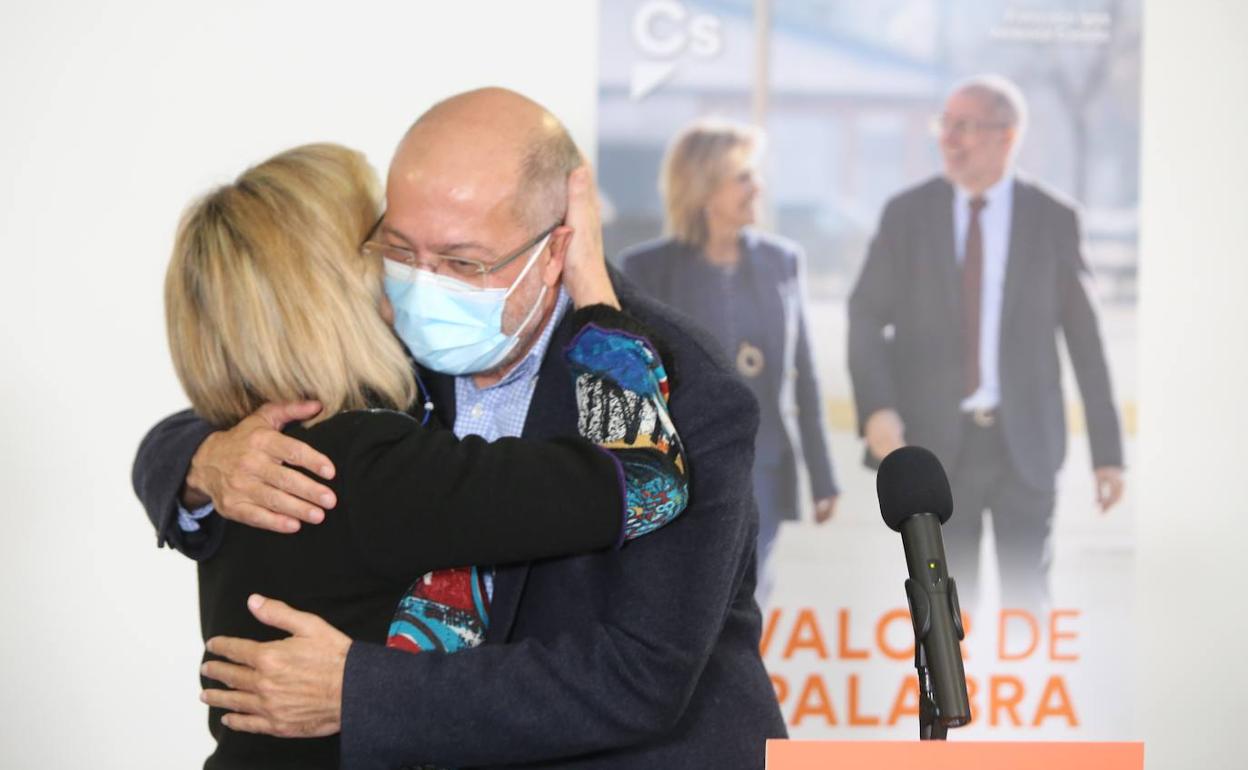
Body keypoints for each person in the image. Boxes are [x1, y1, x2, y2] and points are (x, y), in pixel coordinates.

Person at [133, 88, 784, 769]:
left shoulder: (681, 389)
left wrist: (360, 690)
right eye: (400, 250)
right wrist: (198, 460)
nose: (424, 284)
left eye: (463, 262)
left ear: (558, 245)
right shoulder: (380, 352)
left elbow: (639, 676)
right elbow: (251, 395)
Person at [847, 74, 1125, 611]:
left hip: (1026, 447)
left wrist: (1107, 455)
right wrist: (877, 408)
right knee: (951, 613)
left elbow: (1086, 341)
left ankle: (1025, 696)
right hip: (934, 451)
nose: (948, 138)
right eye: (944, 125)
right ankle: (960, 699)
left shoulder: (1053, 219)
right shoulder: (907, 215)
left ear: (1007, 135)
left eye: (964, 127)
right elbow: (863, 314)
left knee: (1028, 605)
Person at [618, 118, 839, 605]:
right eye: (742, 176)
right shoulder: (646, 269)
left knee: (750, 606)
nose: (756, 187)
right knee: (691, 607)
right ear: (702, 186)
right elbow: (632, 386)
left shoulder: (784, 261)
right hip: (685, 474)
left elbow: (805, 377)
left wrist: (823, 477)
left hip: (765, 468)